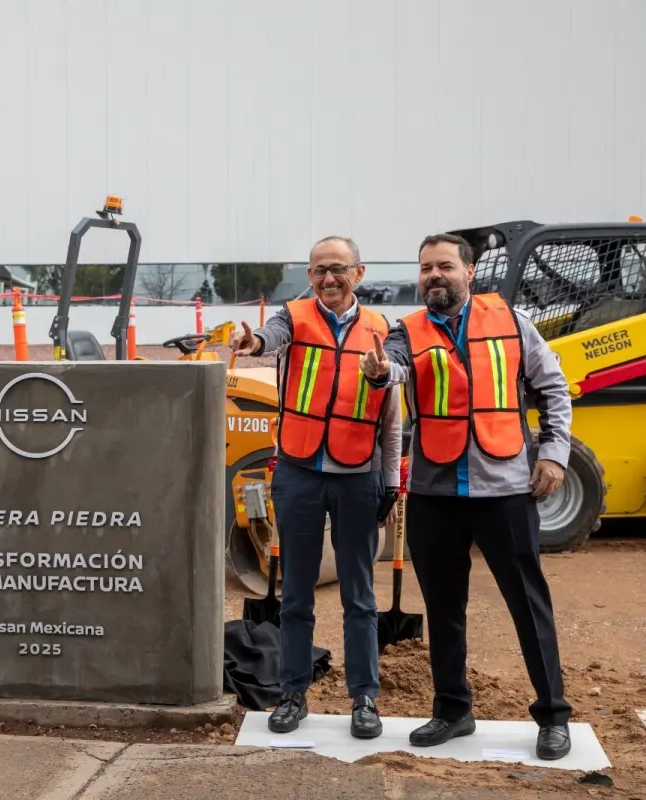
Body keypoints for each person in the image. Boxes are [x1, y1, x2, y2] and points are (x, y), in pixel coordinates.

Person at [362, 232, 573, 760]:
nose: (434, 276)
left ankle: (553, 714)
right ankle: (453, 710)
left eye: (445, 267)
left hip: (504, 487)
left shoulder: (512, 323)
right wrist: (380, 373)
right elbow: (392, 370)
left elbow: (553, 388)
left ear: (469, 272)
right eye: (426, 268)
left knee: (528, 603)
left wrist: (553, 452)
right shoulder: (403, 333)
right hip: (436, 492)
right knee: (443, 606)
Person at [229, 235, 402, 739]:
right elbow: (269, 338)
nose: (329, 278)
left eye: (339, 269)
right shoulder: (292, 317)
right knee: (296, 593)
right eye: (320, 269)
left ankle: (364, 699)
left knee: (360, 596)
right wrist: (253, 343)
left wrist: (390, 484)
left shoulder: (384, 331)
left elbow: (391, 420)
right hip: (300, 473)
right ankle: (292, 693)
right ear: (309, 276)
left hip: (358, 476)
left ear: (359, 273)